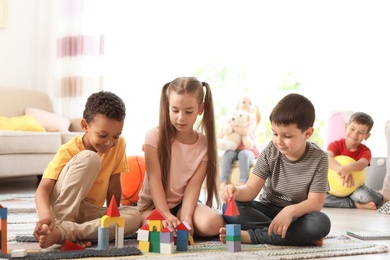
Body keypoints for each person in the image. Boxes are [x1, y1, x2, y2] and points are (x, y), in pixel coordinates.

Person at [33, 91, 142, 248]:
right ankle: (62, 225)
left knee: (135, 215)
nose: (109, 143)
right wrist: (45, 217)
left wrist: (114, 213)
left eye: (115, 136)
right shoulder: (68, 150)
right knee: (91, 158)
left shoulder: (119, 145)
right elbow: (42, 190)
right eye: (102, 135)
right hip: (62, 209)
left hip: (87, 211)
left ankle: (68, 233)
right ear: (85, 126)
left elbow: (114, 185)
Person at [219, 93, 331, 246]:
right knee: (229, 208)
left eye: (287, 136)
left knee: (320, 223)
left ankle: (252, 236)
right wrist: (236, 191)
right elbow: (251, 189)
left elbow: (315, 203)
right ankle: (297, 235)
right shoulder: (270, 150)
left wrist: (290, 211)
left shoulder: (320, 158)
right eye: (275, 133)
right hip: (268, 209)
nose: (279, 141)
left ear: (307, 133)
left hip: (299, 214)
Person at [137, 76, 224, 238]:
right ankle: (172, 222)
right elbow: (155, 179)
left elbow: (193, 185)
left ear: (200, 109)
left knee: (213, 224)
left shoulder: (204, 144)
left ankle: (181, 222)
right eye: (175, 110)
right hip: (153, 206)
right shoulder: (153, 137)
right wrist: (165, 214)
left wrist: (186, 217)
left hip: (184, 205)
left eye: (188, 111)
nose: (181, 117)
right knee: (160, 231)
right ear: (167, 107)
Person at [324, 112, 383, 210]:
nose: (355, 134)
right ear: (346, 126)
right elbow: (327, 158)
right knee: (318, 197)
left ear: (367, 136)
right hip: (334, 189)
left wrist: (349, 168)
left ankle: (381, 197)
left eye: (360, 132)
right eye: (352, 129)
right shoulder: (335, 145)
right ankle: (356, 205)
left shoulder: (365, 151)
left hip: (355, 189)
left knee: (366, 196)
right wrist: (342, 170)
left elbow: (362, 163)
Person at [219, 95, 261, 190]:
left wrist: (233, 127)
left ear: (252, 109)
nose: (246, 104)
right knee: (227, 154)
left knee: (243, 154)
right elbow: (223, 132)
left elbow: (245, 132)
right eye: (243, 102)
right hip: (234, 148)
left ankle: (243, 182)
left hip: (248, 149)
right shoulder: (232, 119)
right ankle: (223, 181)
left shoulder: (252, 120)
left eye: (250, 103)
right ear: (237, 106)